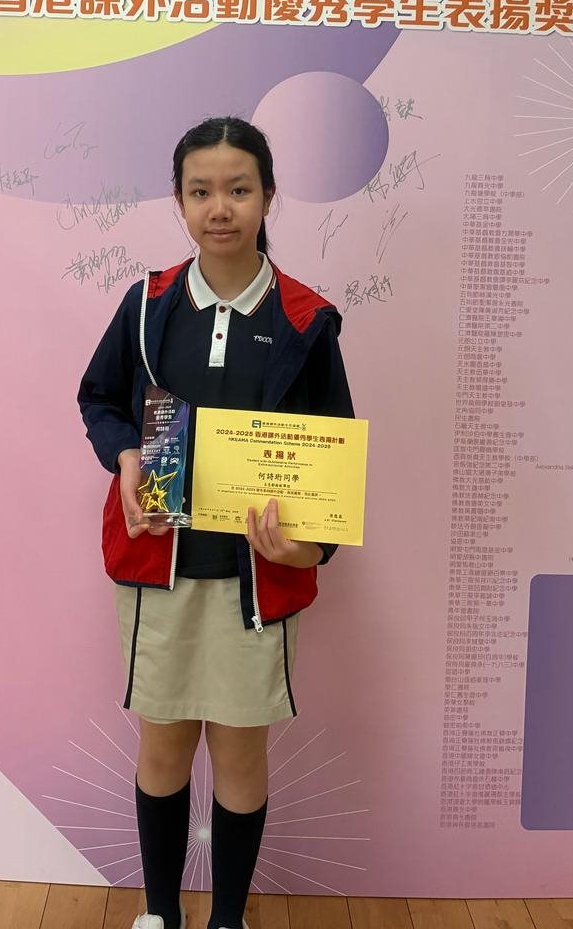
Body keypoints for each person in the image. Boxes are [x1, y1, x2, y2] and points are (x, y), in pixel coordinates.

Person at [77, 116, 356, 929]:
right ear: (179, 200)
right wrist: (127, 457)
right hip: (158, 562)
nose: (220, 207)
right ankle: (161, 914)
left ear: (269, 196)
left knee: (239, 752)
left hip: (254, 579)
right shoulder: (148, 305)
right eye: (201, 191)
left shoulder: (306, 319)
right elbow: (100, 399)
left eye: (238, 189)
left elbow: (332, 451)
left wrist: (310, 546)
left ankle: (228, 920)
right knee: (163, 746)